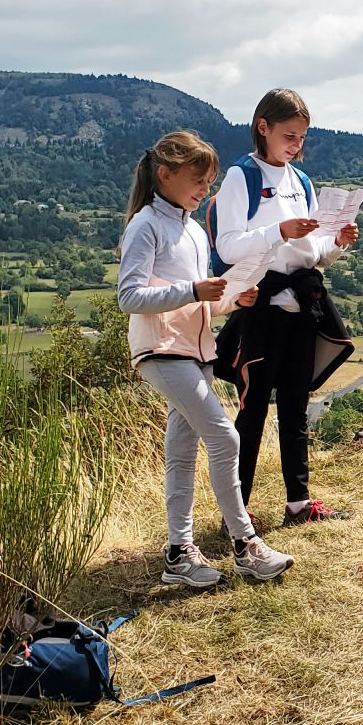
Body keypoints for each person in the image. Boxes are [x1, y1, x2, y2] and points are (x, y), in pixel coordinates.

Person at [116, 131, 296, 586]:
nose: (204, 190)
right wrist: (197, 290)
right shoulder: (146, 225)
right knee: (225, 437)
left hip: (194, 353)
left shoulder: (193, 229)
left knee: (181, 451)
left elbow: (199, 303)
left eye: (209, 181)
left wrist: (233, 300)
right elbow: (130, 296)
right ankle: (245, 544)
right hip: (160, 350)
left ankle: (179, 555)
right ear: (165, 174)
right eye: (198, 179)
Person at [209, 89, 360, 530]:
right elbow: (228, 244)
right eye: (289, 135)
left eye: (301, 138)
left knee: (296, 402)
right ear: (263, 127)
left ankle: (299, 502)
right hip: (260, 302)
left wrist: (336, 243)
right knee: (252, 407)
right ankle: (235, 512)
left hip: (302, 302)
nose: (296, 145)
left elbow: (310, 251)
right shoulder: (242, 176)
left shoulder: (301, 181)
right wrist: (279, 229)